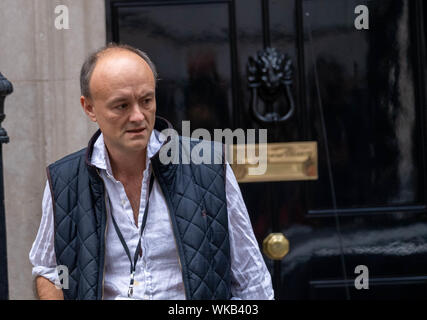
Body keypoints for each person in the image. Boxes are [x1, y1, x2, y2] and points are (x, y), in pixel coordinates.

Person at [29, 43, 274, 300]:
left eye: (146, 100)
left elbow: (251, 278)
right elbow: (49, 269)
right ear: (89, 108)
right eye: (121, 106)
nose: (138, 116)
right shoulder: (64, 179)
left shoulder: (209, 165)